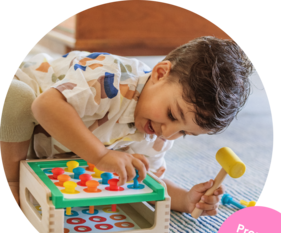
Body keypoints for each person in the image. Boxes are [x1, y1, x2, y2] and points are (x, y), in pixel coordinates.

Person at [0, 36, 253, 215]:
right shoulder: (111, 78)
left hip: (39, 148)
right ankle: (11, 180)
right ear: (160, 73)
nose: (168, 132)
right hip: (14, 114)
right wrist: (100, 155)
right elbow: (44, 106)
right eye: (172, 114)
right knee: (17, 96)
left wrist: (186, 199)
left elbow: (147, 180)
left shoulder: (161, 134)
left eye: (184, 132)